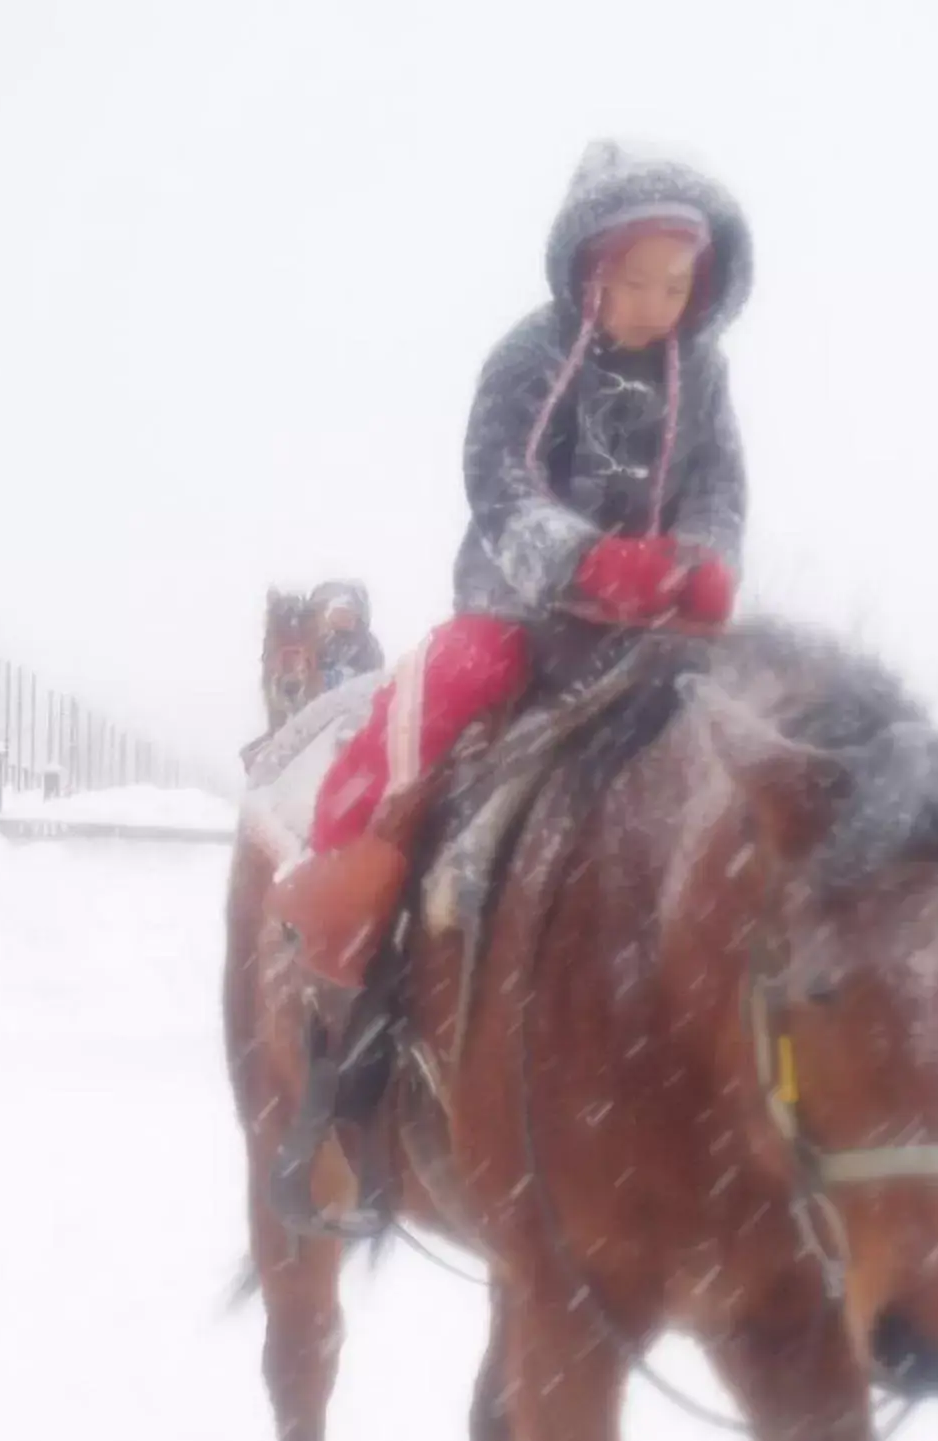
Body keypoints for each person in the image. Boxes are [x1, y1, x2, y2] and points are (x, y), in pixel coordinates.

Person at [263, 141, 753, 1231]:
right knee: (447, 685)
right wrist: (581, 563)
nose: (653, 307)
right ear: (587, 269)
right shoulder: (532, 356)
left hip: (655, 628)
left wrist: (705, 565)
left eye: (676, 287)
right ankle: (351, 871)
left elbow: (719, 486)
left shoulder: (703, 377)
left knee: (745, 735)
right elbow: (498, 481)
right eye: (633, 283)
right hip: (524, 611)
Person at [307, 579, 384, 691]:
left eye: (345, 612)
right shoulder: (327, 642)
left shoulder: (368, 646)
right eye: (337, 613)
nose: (339, 617)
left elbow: (367, 680)